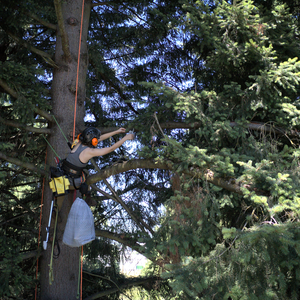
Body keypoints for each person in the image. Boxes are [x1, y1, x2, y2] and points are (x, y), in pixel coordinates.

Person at [58, 127, 134, 208]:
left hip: (61, 173)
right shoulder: (89, 152)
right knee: (85, 177)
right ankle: (87, 196)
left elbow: (100, 138)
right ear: (93, 141)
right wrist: (126, 138)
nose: (97, 140)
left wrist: (116, 131)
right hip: (70, 182)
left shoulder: (79, 142)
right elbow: (111, 149)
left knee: (84, 172)